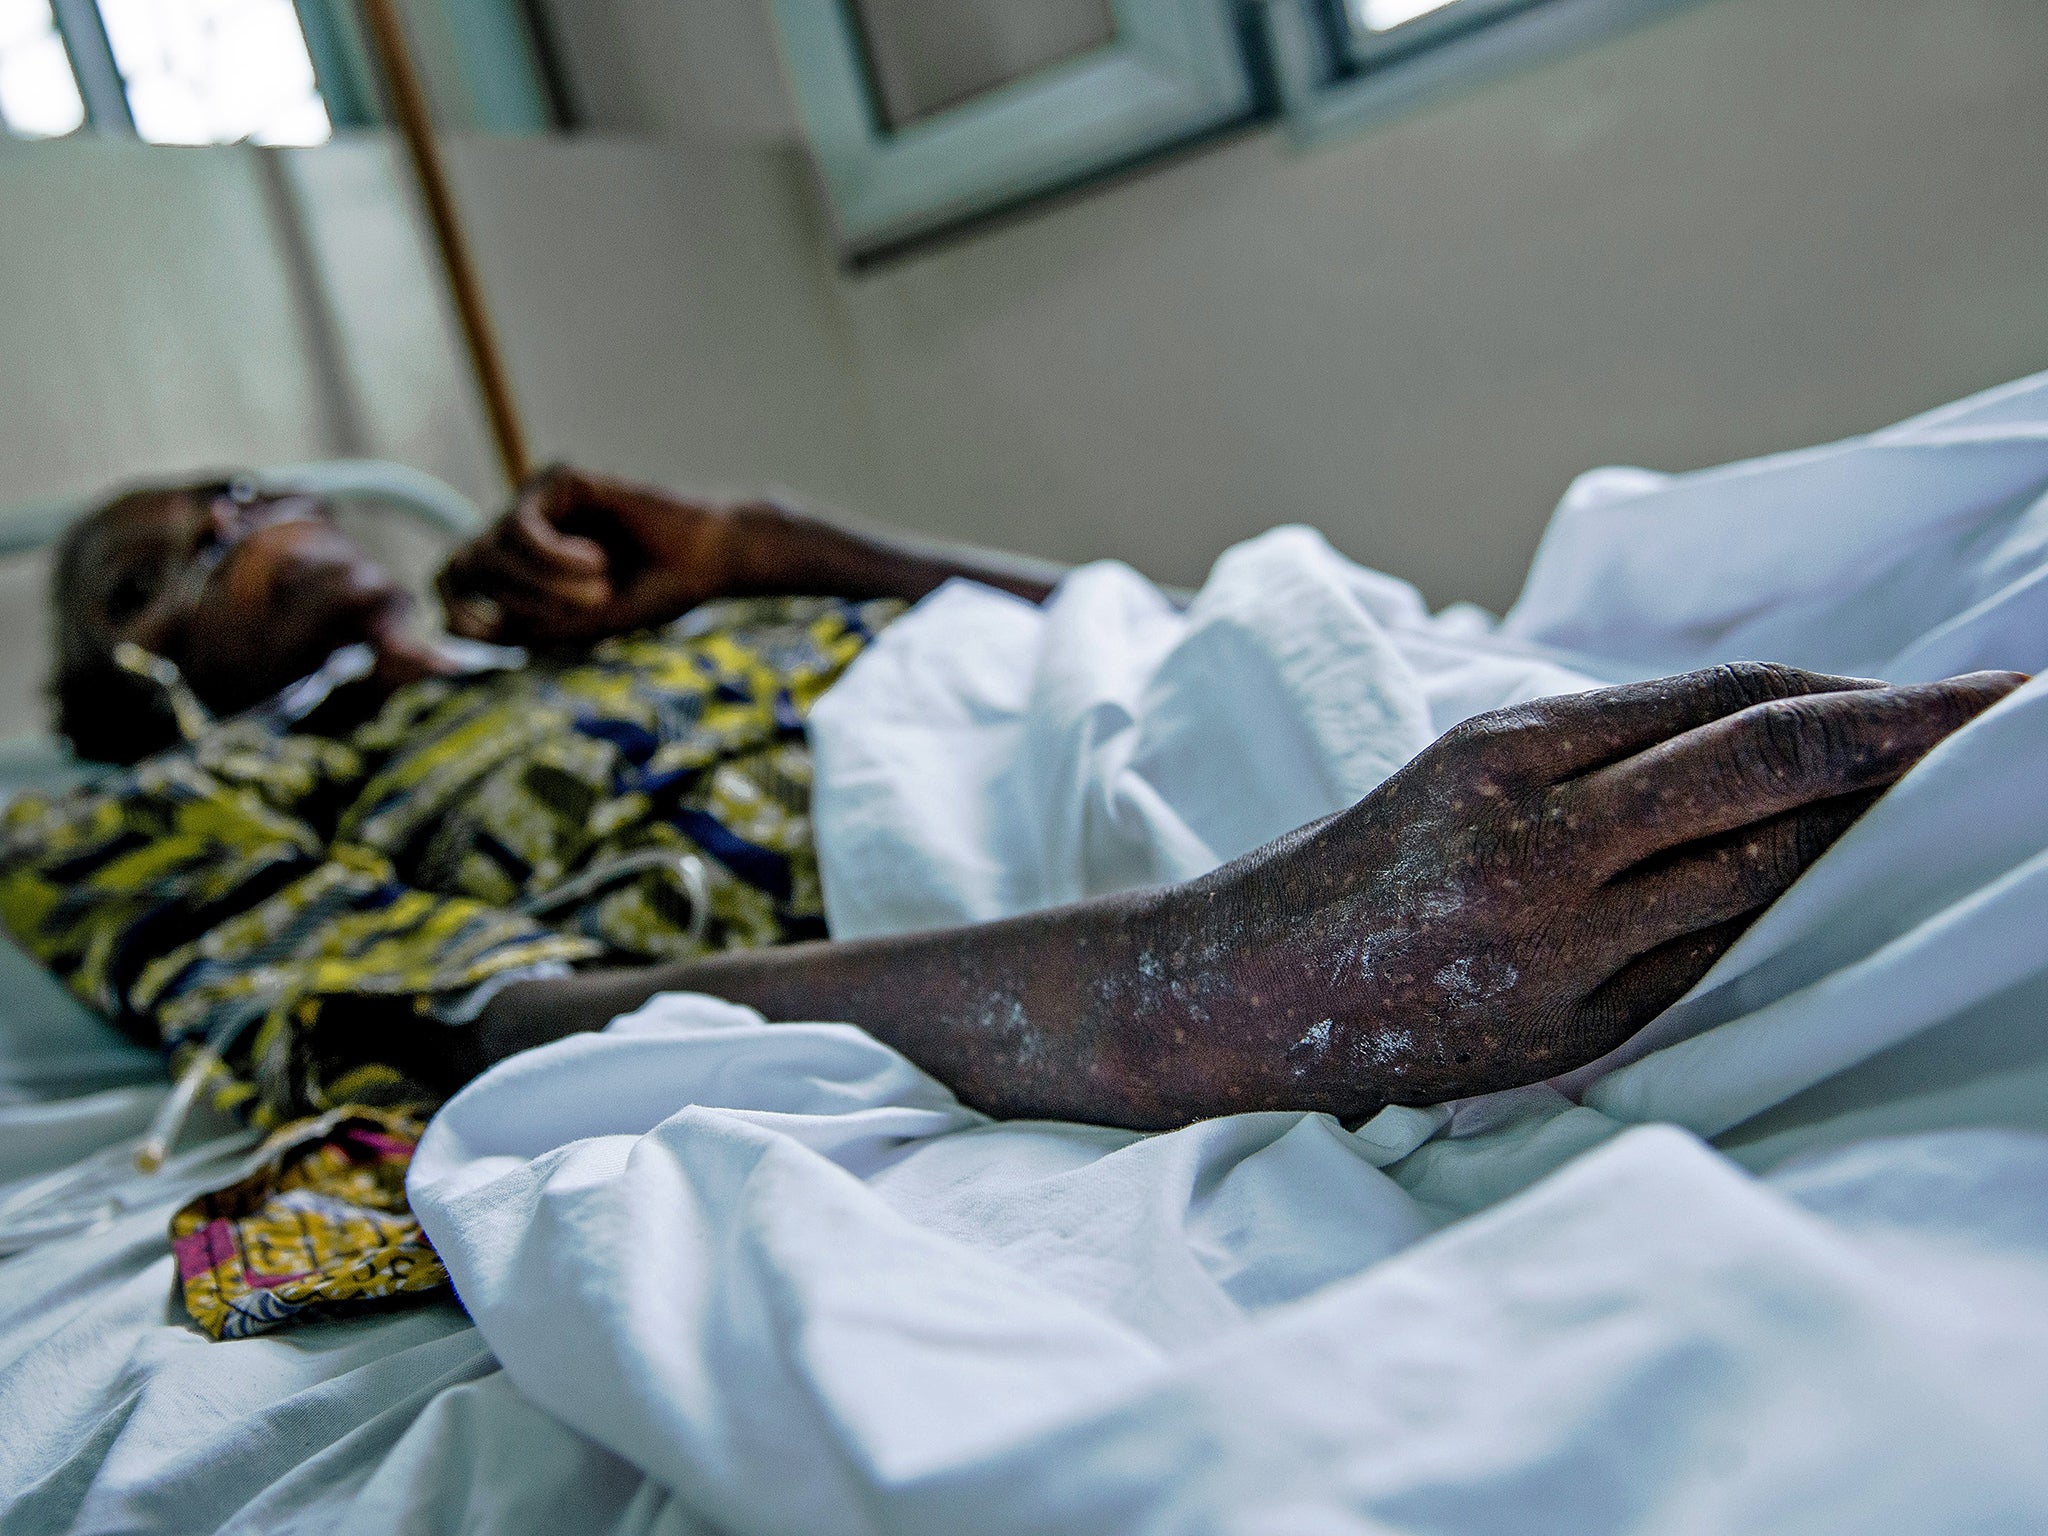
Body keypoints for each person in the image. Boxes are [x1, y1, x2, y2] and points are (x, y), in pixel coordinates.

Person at [14, 469, 2019, 1133]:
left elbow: (1137, 624)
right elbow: (446, 1023)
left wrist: (777, 544)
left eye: (256, 488)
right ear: (127, 683)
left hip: (1171, 688)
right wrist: (1179, 983)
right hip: (1024, 883)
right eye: (168, 561)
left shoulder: (632, 613)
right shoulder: (163, 812)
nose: (249, 524)